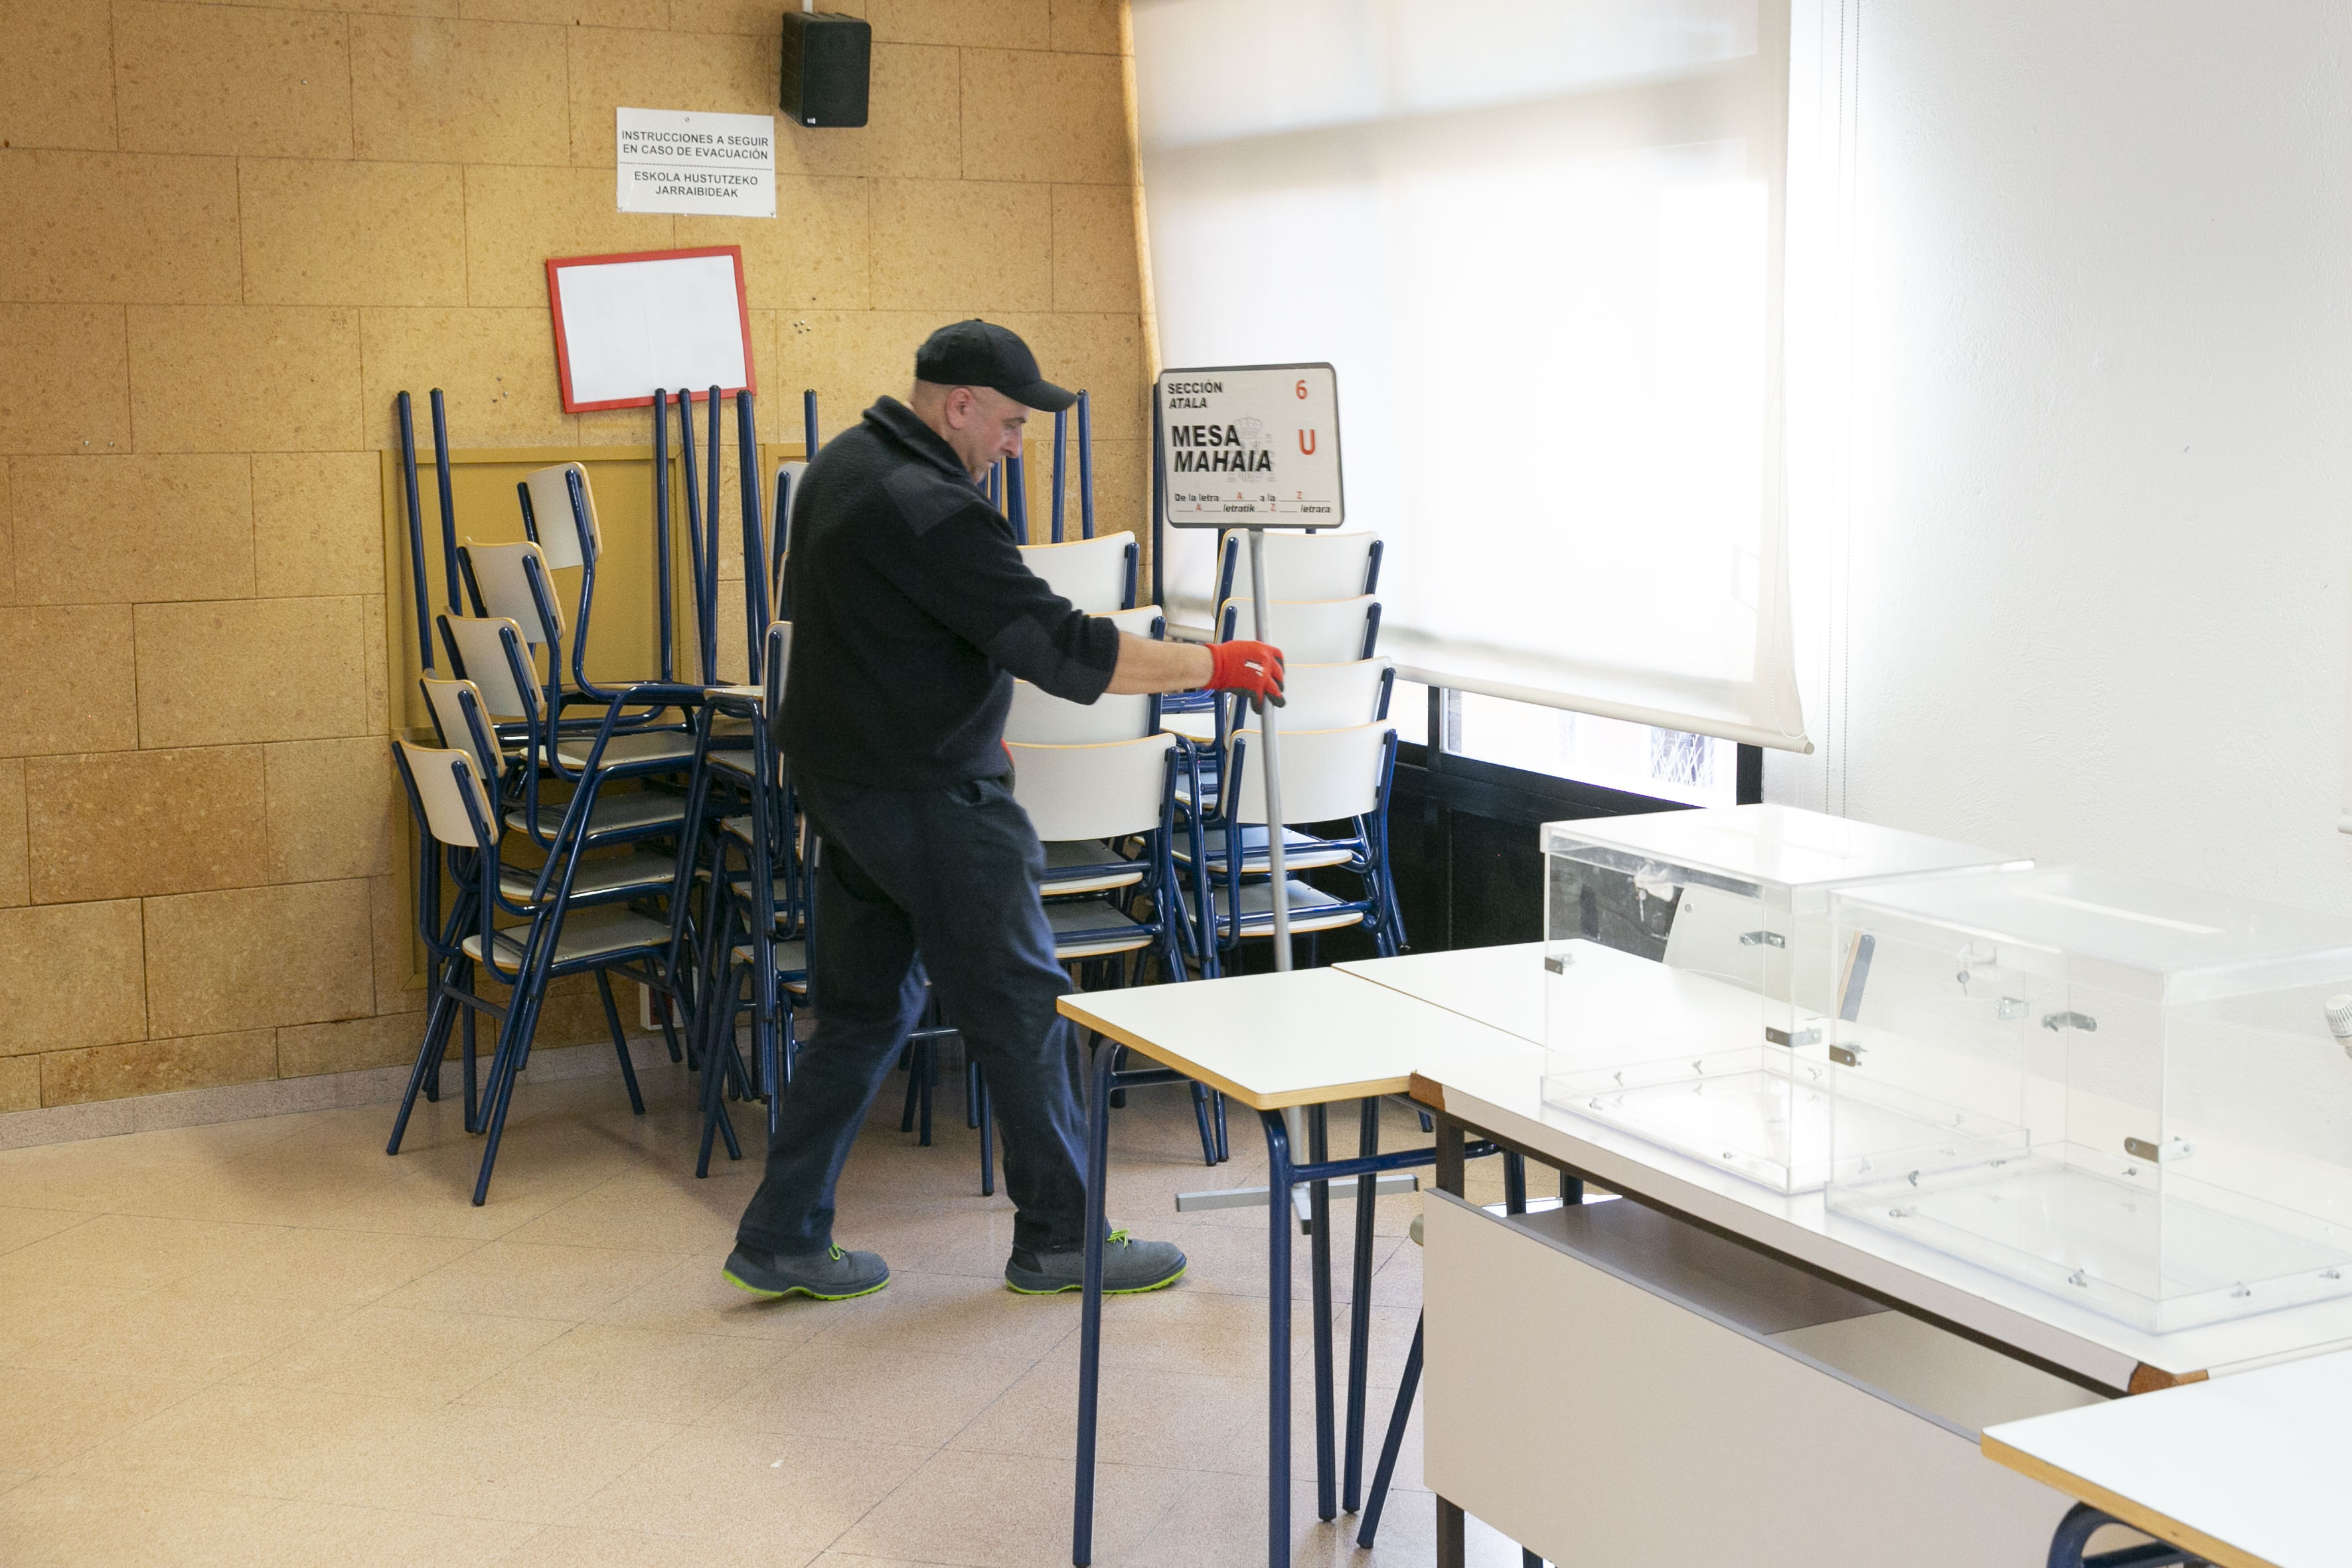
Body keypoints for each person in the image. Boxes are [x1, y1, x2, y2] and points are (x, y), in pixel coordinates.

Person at [723, 319, 1287, 1301]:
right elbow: (1058, 645)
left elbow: (872, 638)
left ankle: (780, 1235)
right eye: (1013, 424)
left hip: (845, 786)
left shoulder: (839, 468)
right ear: (960, 407)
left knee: (860, 1014)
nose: (1018, 445)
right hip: (931, 797)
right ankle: (1064, 1236)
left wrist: (958, 714)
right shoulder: (934, 505)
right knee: (1025, 1005)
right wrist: (1212, 664)